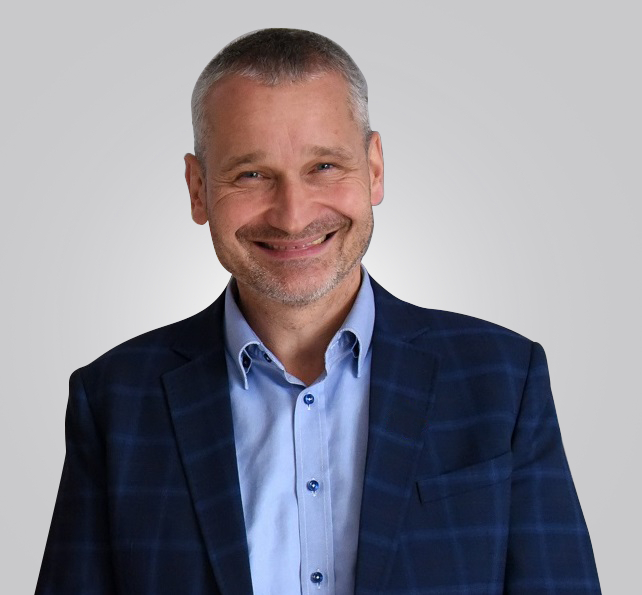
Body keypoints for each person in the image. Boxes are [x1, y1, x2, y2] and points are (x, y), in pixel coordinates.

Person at [36, 28, 601, 595]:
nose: (291, 214)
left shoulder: (503, 381)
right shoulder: (114, 400)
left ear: (374, 168)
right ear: (198, 187)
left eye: (324, 166)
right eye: (252, 174)